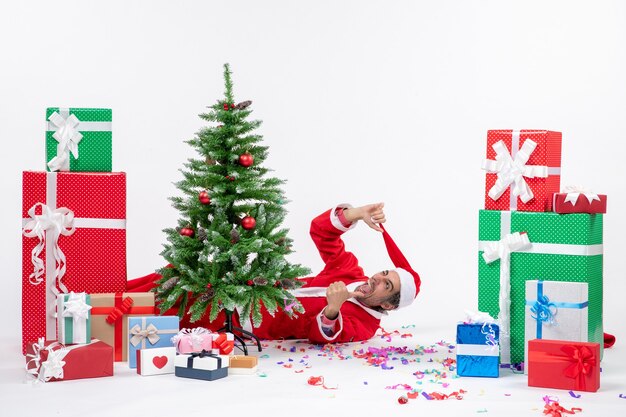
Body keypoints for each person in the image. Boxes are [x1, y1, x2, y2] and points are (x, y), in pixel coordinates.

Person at [127, 202, 421, 344]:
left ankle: (111, 324)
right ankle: (102, 299)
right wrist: (355, 214)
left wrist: (332, 310)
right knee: (172, 280)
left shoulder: (364, 326)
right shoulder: (348, 270)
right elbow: (321, 232)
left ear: (387, 304)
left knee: (176, 313)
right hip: (242, 283)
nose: (376, 279)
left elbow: (319, 335)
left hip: (246, 318)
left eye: (386, 285)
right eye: (384, 273)